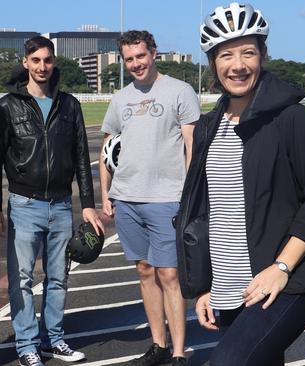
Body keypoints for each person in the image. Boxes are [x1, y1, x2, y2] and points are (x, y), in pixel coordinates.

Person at [175, 3, 305, 365]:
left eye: (248, 52)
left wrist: (280, 268)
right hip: (231, 287)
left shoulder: (292, 119)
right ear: (213, 63)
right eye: (226, 55)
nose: (238, 65)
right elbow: (203, 209)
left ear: (263, 55)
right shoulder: (208, 127)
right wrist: (203, 287)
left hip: (286, 280)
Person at [0, 35, 104, 366]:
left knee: (59, 278)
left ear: (54, 62)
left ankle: (54, 340)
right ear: (25, 62)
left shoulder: (70, 105)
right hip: (24, 206)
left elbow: (82, 157)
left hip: (61, 205)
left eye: (48, 60)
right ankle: (26, 343)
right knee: (22, 279)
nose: (42, 66)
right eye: (35, 60)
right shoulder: (7, 106)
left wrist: (88, 203)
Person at [99, 30, 200, 366]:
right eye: (129, 59)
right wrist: (106, 194)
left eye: (140, 56)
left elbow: (191, 146)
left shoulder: (179, 91)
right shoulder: (120, 99)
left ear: (153, 53)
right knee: (144, 270)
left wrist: (190, 195)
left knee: (169, 274)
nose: (136, 64)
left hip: (167, 199)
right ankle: (158, 345)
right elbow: (107, 149)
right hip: (127, 198)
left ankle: (178, 352)